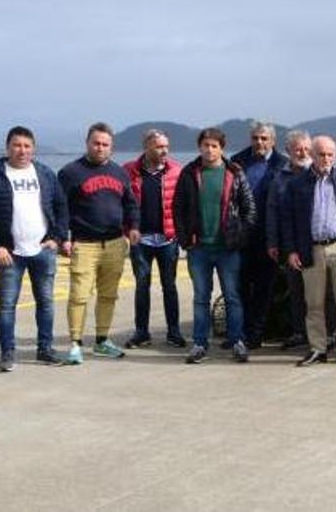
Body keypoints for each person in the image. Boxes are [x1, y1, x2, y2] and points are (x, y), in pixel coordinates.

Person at [0, 126, 68, 371]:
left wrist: (56, 238)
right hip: (9, 253)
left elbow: (61, 207)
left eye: (26, 146)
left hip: (43, 251)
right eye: (16, 145)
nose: (21, 150)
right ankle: (7, 353)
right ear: (7, 147)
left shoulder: (45, 174)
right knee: (6, 305)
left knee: (45, 302)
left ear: (33, 149)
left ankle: (44, 350)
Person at [172, 127, 257, 364]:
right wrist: (184, 239)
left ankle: (237, 341)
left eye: (214, 145)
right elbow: (177, 208)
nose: (209, 150)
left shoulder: (235, 172)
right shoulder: (189, 173)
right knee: (201, 297)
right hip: (198, 248)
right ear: (199, 147)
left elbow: (249, 209)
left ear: (221, 148)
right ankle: (199, 343)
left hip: (228, 248)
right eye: (205, 145)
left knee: (232, 296)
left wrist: (240, 237)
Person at [57, 122, 140, 365]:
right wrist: (64, 238)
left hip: (114, 243)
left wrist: (133, 227)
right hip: (84, 244)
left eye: (105, 144)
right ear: (87, 143)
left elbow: (131, 204)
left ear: (111, 147)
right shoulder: (70, 173)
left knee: (108, 295)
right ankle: (75, 344)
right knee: (79, 296)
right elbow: (60, 209)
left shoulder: (119, 173)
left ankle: (102, 340)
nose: (100, 148)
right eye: (96, 143)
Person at [284, 135, 336, 368]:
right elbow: (288, 220)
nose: (326, 158)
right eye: (321, 154)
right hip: (311, 249)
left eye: (330, 154)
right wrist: (291, 250)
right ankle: (317, 349)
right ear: (312, 154)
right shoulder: (297, 184)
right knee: (314, 304)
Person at [122, 129, 185, 349]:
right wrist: (126, 230)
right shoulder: (129, 171)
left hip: (168, 239)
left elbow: (185, 203)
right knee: (142, 286)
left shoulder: (177, 171)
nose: (164, 150)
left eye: (166, 146)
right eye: (159, 146)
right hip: (141, 240)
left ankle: (174, 332)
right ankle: (141, 332)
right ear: (147, 147)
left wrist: (181, 231)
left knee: (170, 286)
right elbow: (121, 203)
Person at [231, 121, 288, 349]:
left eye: (264, 138)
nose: (259, 142)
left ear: (273, 141)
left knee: (265, 288)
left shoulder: (282, 163)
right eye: (256, 138)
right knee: (240, 286)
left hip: (269, 235)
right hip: (242, 235)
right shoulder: (237, 161)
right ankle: (239, 333)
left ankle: (256, 334)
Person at [267, 130, 314, 350]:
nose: (303, 153)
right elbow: (272, 212)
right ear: (288, 151)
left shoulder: (322, 174)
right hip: (291, 245)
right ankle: (299, 332)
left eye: (306, 148)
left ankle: (328, 334)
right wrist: (273, 242)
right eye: (298, 149)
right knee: (296, 291)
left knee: (324, 294)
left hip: (318, 243)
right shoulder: (279, 179)